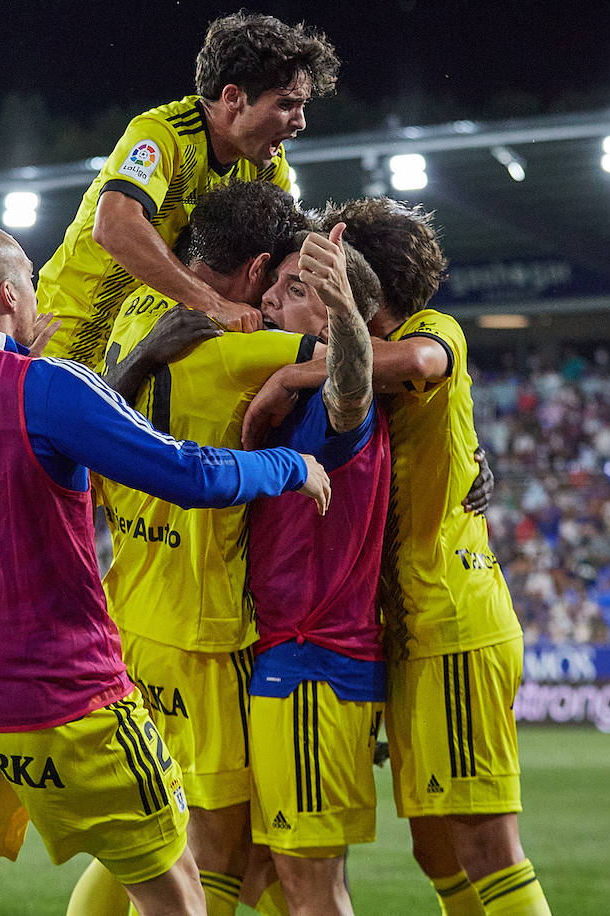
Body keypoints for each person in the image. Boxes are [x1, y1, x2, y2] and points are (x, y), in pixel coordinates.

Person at [0, 223, 331, 916]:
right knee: (177, 896)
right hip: (66, 702)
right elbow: (186, 472)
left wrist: (21, 366)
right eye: (30, 279)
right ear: (10, 293)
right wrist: (290, 464)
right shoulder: (48, 388)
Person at [245, 197, 551, 915]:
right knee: (437, 848)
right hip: (403, 626)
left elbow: (414, 361)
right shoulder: (364, 381)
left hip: (450, 613)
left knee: (483, 845)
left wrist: (293, 370)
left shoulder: (426, 333)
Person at [84, 179, 324, 916]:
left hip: (131, 611)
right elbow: (366, 359)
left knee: (150, 832)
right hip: (202, 628)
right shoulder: (237, 343)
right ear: (255, 271)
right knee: (220, 845)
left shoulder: (135, 310)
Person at [36, 11, 338, 367]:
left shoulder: (268, 165)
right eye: (286, 104)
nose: (300, 121)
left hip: (155, 336)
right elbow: (114, 226)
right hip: (71, 335)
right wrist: (213, 303)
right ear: (232, 97)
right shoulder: (161, 134)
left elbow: (285, 255)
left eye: (302, 106)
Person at [245, 224, 389, 916]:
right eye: (274, 285)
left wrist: (347, 326)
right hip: (290, 662)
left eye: (296, 289)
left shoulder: (334, 419)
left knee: (311, 888)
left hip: (311, 666)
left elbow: (353, 386)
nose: (272, 301)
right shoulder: (291, 403)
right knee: (255, 872)